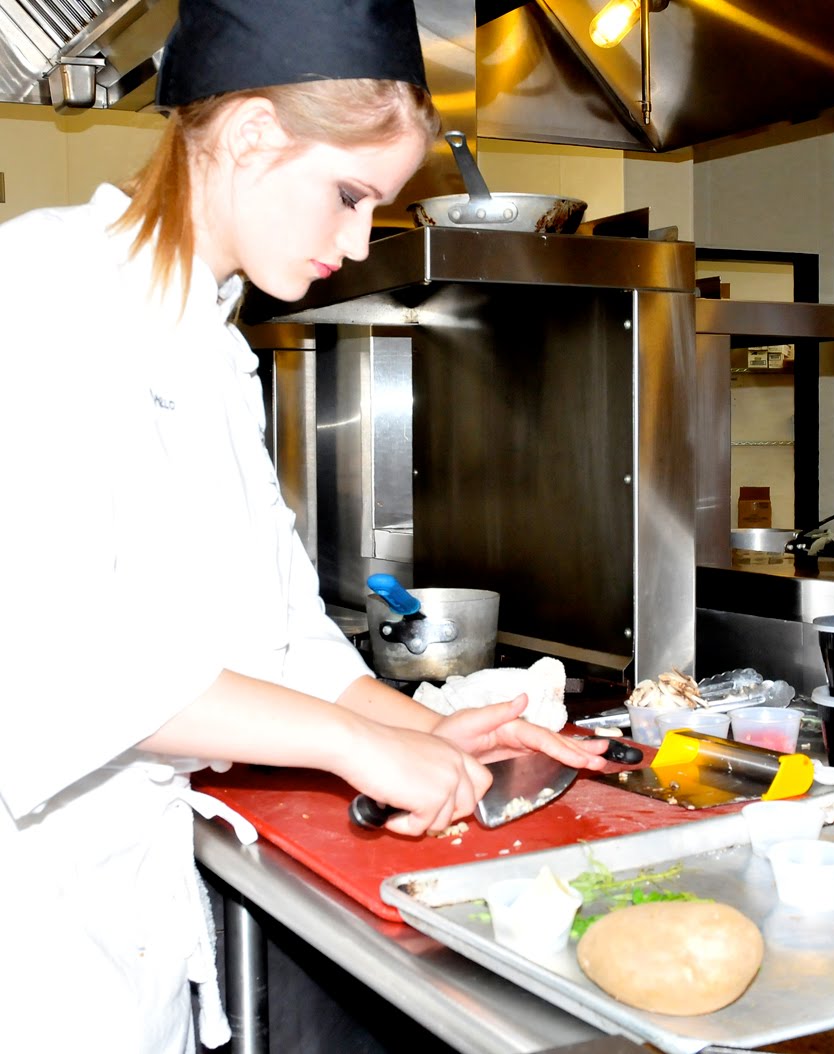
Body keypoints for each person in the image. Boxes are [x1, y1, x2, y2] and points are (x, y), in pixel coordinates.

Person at [0, 1, 606, 1050]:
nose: (359, 240)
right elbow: (59, 659)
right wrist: (355, 748)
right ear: (248, 136)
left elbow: (283, 631)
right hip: (36, 931)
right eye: (349, 195)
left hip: (129, 924)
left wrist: (419, 729)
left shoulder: (216, 351)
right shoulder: (43, 293)